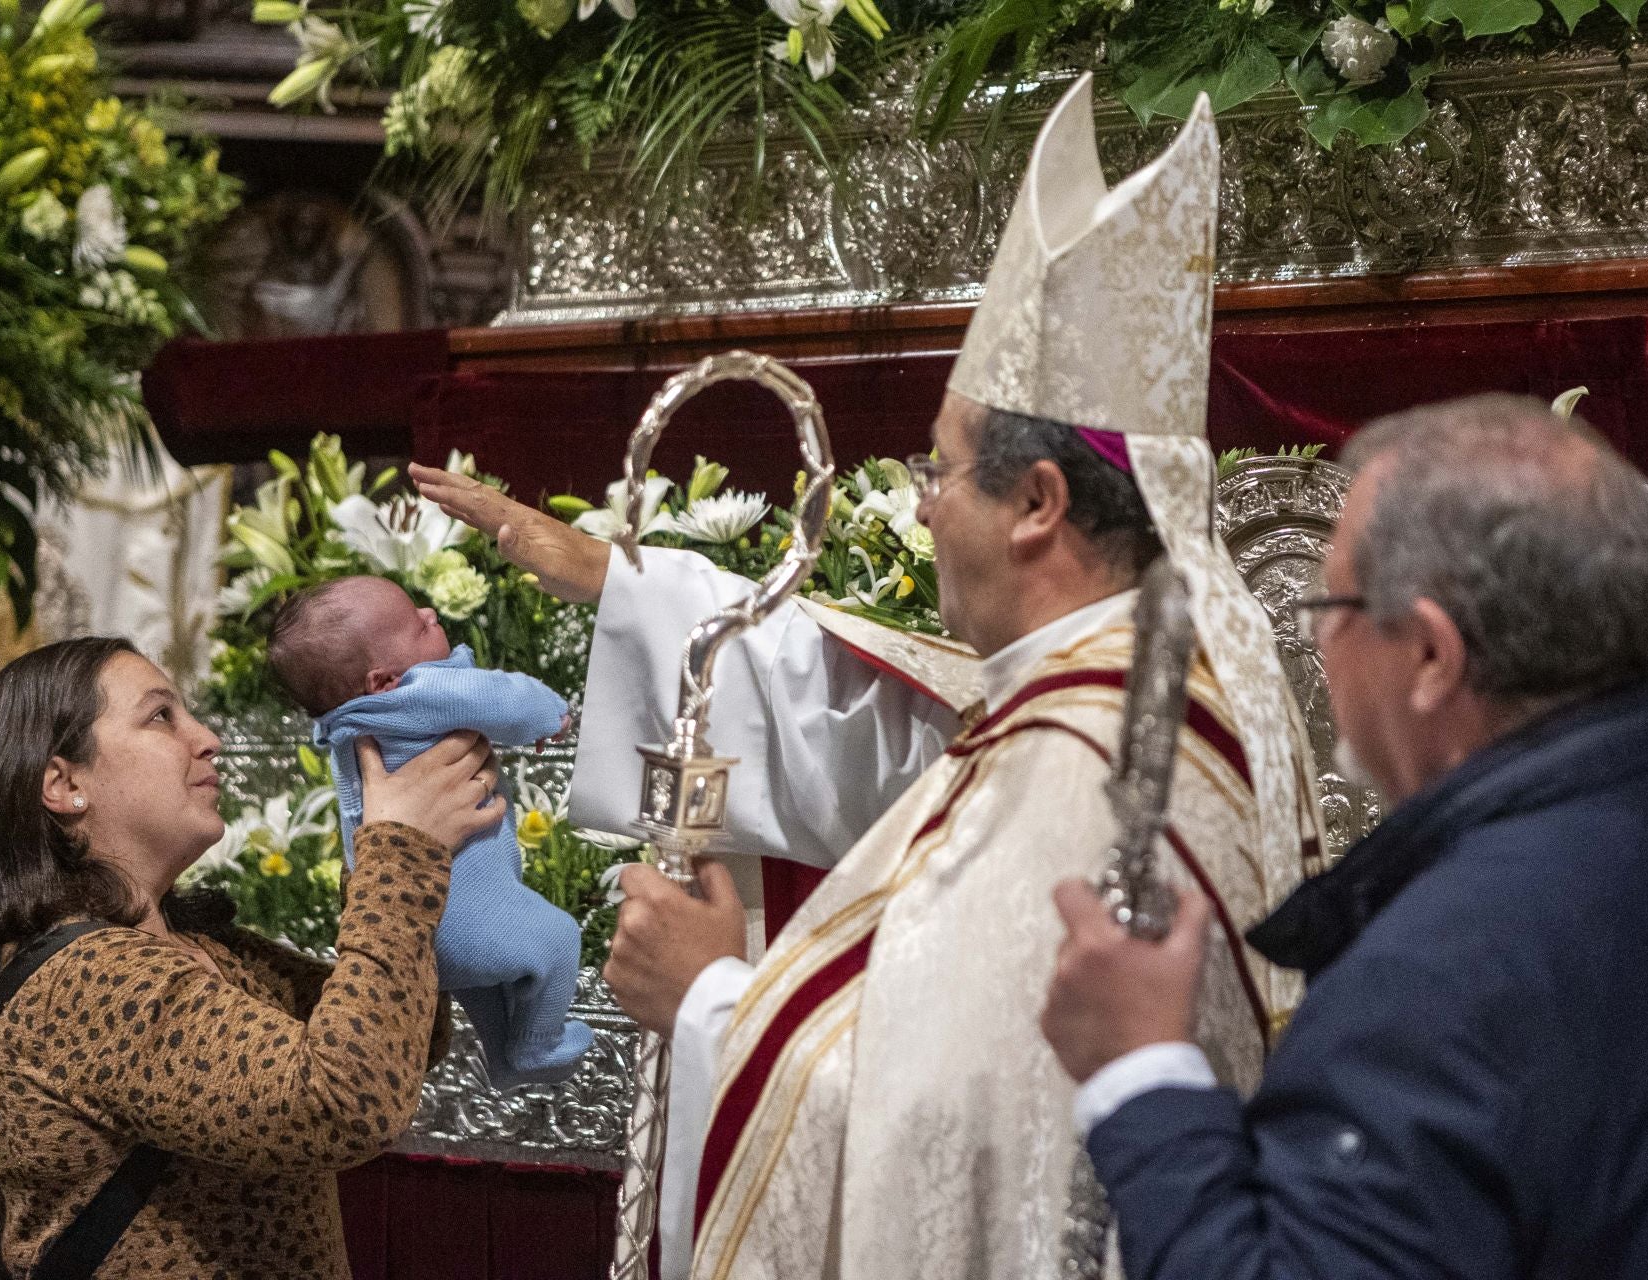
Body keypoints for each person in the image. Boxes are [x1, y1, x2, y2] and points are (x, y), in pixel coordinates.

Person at [415, 73, 1322, 1279]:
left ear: (1040, 504)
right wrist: (625, 588)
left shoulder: (1086, 761)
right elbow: (905, 734)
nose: (920, 502)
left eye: (940, 471)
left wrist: (706, 1000)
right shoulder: (1171, 664)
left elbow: (961, 1156)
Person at [1041, 394, 1648, 1279]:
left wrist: (1142, 1072)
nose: (1318, 637)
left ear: (1432, 656)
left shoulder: (1433, 987)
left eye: (1334, 603)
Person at [0, 636, 504, 1278]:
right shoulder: (86, 981)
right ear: (64, 784)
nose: (208, 738)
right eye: (161, 717)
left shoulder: (199, 948)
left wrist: (416, 842)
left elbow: (403, 1034)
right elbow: (346, 1102)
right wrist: (400, 852)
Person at [266, 575, 593, 1089]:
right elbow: (506, 699)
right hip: (462, 910)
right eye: (414, 626)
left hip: (423, 925)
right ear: (382, 681)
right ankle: (537, 1047)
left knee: (488, 989)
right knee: (557, 938)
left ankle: (507, 1061)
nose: (429, 612)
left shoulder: (349, 726)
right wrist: (550, 715)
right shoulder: (421, 693)